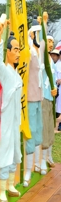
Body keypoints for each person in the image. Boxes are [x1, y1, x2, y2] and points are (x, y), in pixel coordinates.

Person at [0, 30, 22, 202]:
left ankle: (11, 184)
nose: (18, 53)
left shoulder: (17, 73)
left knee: (14, 149)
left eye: (19, 50)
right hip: (5, 118)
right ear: (8, 51)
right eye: (16, 49)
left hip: (15, 119)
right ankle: (2, 190)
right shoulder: (4, 71)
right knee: (5, 150)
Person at [24, 19, 44, 187]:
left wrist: (42, 22)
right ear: (31, 34)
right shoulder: (29, 51)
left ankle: (37, 163)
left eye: (39, 32)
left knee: (38, 128)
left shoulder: (40, 50)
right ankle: (28, 169)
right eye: (35, 32)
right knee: (30, 130)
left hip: (39, 96)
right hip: (30, 96)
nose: (38, 36)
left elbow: (44, 42)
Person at [40, 25, 57, 173]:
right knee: (44, 128)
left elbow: (55, 79)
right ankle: (43, 159)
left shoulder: (51, 62)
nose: (50, 44)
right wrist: (43, 25)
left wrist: (55, 90)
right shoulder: (43, 59)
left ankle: (49, 156)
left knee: (50, 128)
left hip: (51, 98)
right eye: (48, 41)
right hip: (43, 98)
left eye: (52, 42)